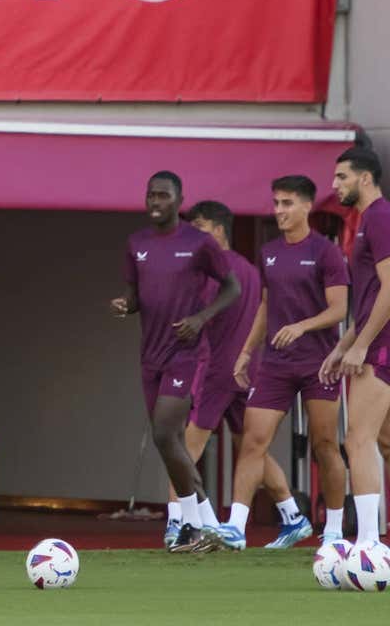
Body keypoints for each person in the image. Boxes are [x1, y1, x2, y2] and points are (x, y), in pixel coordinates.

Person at [212, 177, 349, 550]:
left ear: (307, 206)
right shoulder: (269, 251)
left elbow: (340, 309)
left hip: (320, 362)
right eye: (276, 203)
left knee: (324, 444)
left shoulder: (326, 252)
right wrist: (245, 352)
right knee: (253, 440)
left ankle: (333, 531)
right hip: (274, 363)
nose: (279, 211)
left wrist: (302, 326)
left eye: (287, 203)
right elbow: (266, 306)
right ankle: (235, 528)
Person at [110, 171, 239, 553]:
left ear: (179, 200)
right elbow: (135, 297)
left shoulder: (198, 243)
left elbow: (233, 287)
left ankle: (193, 525)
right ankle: (202, 527)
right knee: (172, 444)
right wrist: (125, 306)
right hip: (150, 356)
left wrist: (201, 319)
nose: (155, 202)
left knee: (166, 434)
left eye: (163, 196)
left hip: (186, 353)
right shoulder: (137, 244)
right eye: (150, 195)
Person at [171, 200, 299, 550]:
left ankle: (175, 523)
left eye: (199, 225)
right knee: (251, 448)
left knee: (181, 447)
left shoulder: (212, 271)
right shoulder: (249, 270)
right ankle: (292, 515)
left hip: (217, 371)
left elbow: (196, 320)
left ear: (218, 229)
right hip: (248, 370)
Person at [321, 147, 390, 548]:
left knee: (357, 439)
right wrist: (341, 345)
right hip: (371, 340)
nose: (335, 185)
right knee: (382, 442)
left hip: (380, 347)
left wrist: (362, 346)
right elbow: (366, 302)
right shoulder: (367, 221)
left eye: (342, 177)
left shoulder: (380, 217)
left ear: (365, 178)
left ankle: (367, 543)